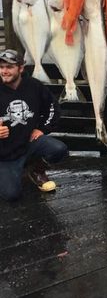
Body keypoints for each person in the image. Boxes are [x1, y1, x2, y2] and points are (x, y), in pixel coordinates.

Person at [0, 49, 68, 201]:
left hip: (28, 144)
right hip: (4, 155)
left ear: (20, 68)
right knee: (11, 195)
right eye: (1, 67)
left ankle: (36, 168)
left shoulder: (34, 86)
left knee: (58, 149)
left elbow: (52, 108)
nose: (4, 71)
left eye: (9, 67)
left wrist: (42, 128)